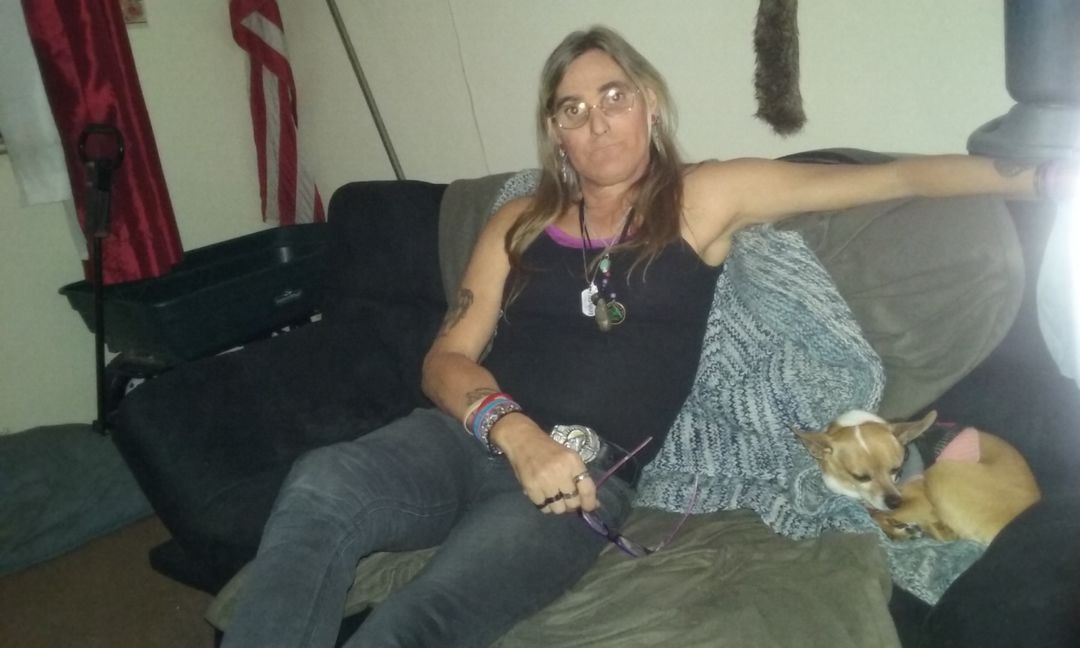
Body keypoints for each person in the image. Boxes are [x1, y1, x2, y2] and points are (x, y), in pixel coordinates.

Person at [223, 24, 1047, 648]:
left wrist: (1043, 175)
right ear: (556, 133)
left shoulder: (702, 198)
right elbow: (446, 359)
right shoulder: (518, 220)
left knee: (421, 617)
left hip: (580, 482)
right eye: (573, 109)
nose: (597, 122)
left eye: (614, 96)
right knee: (321, 485)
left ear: (649, 103)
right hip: (464, 438)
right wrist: (512, 432)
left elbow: (896, 178)